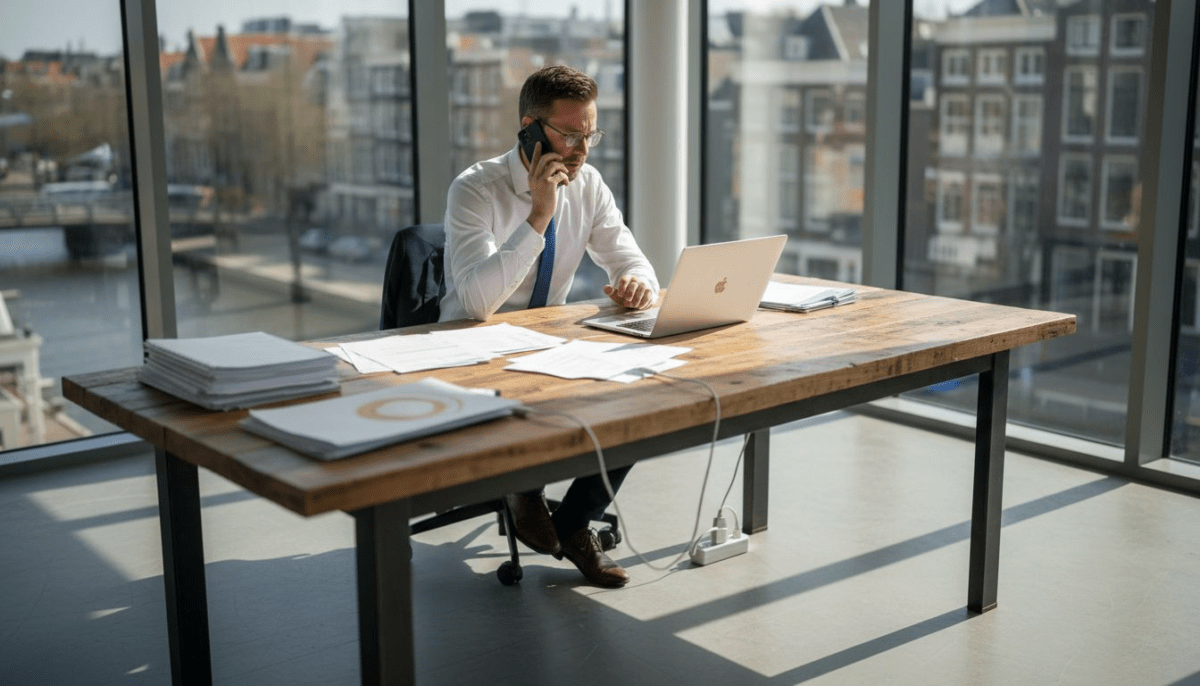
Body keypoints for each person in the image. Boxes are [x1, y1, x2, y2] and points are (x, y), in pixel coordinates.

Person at [439, 65, 658, 587]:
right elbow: (474, 303)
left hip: (543, 344)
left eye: (591, 134)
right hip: (470, 350)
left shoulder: (591, 185)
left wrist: (636, 284)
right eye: (570, 135)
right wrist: (539, 216)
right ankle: (524, 489)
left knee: (645, 400)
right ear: (530, 129)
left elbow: (632, 259)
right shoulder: (475, 188)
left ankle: (574, 520)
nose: (582, 149)